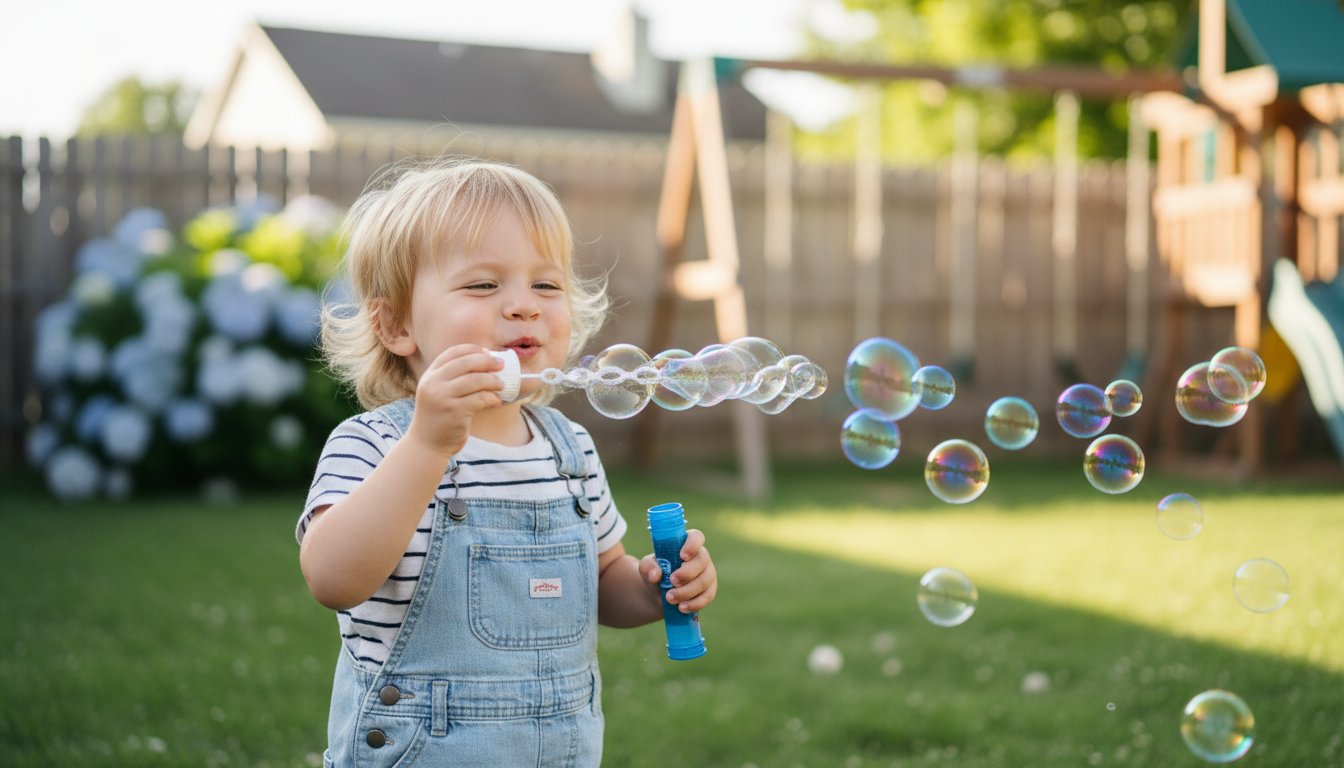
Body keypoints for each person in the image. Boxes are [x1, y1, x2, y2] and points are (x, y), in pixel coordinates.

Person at [296, 157, 718, 767]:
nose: (524, 305)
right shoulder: (375, 444)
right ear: (394, 324)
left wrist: (657, 588)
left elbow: (601, 585)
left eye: (546, 285)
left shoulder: (567, 449)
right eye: (483, 285)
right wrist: (428, 445)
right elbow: (333, 580)